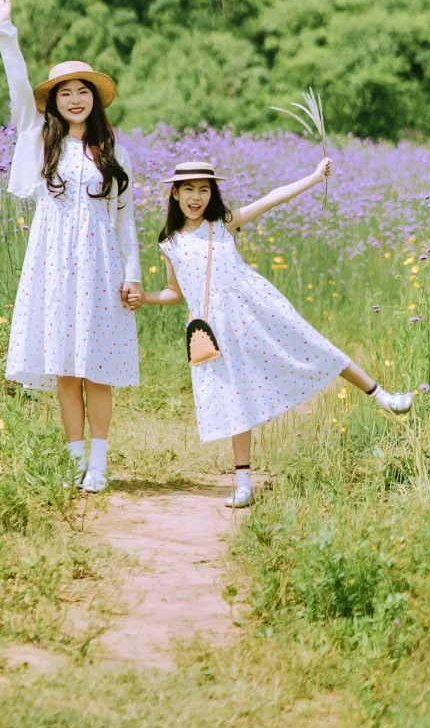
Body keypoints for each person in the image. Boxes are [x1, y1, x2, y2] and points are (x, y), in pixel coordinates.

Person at [141, 157, 413, 508]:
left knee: (313, 344)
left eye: (204, 190)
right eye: (189, 190)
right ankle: (243, 483)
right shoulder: (170, 244)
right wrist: (142, 298)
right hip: (214, 329)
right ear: (175, 194)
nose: (197, 197)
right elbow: (174, 293)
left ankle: (383, 397)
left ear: (213, 193)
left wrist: (314, 178)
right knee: (236, 398)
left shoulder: (222, 223)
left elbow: (273, 198)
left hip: (255, 307)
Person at [0, 0, 143, 491]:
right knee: (65, 369)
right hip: (52, 265)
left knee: (96, 367)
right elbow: (17, 84)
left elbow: (125, 223)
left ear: (95, 99)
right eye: (64, 93)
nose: (75, 99)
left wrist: (132, 275)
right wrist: (4, 30)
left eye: (83, 91)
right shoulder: (39, 140)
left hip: (100, 268)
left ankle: (99, 461)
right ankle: (75, 461)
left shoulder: (112, 153)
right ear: (53, 102)